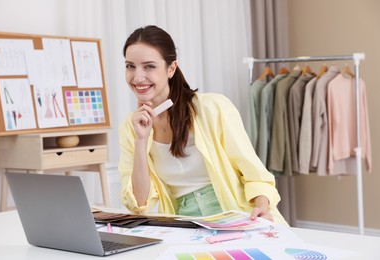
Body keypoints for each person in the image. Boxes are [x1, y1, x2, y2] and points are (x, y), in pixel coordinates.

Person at [118, 25, 288, 226]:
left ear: (171, 68)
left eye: (149, 66)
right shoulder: (132, 128)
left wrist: (262, 208)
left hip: (240, 218)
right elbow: (139, 202)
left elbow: (256, 176)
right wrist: (141, 140)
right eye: (130, 66)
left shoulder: (212, 108)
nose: (137, 77)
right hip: (186, 228)